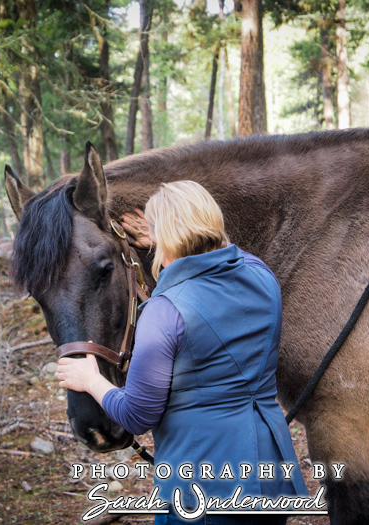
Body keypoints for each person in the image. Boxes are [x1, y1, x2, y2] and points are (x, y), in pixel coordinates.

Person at [57, 181, 308, 524]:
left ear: (166, 235)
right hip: (268, 470)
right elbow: (227, 253)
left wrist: (91, 379)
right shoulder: (261, 275)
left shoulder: (164, 311)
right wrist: (171, 237)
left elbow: (136, 415)